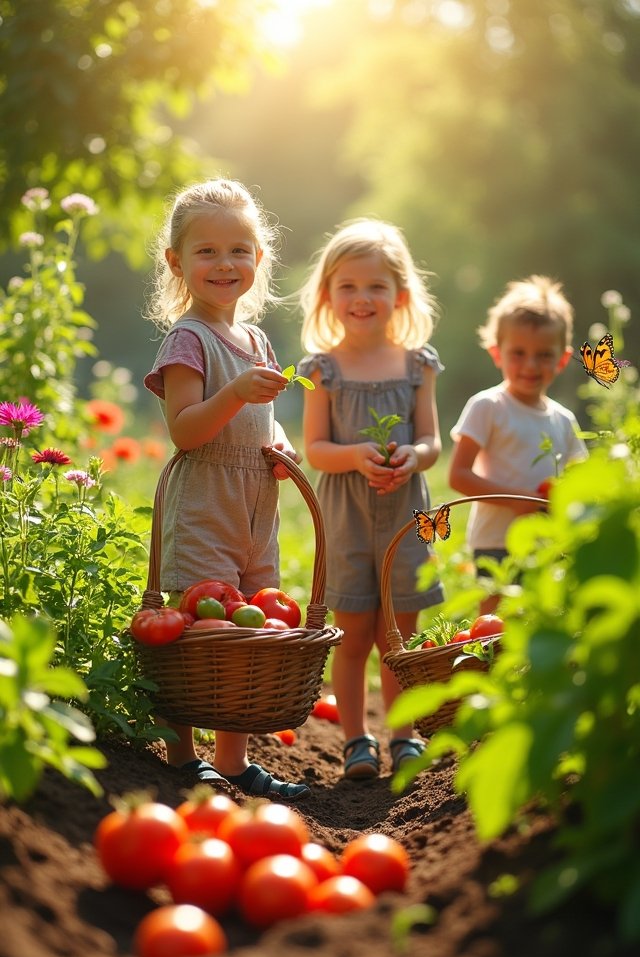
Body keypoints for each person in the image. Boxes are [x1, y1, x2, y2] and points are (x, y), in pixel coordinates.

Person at [143, 177, 309, 799]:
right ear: (177, 263)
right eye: (206, 250)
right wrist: (236, 392)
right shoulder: (188, 340)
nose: (223, 263)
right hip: (207, 503)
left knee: (245, 627)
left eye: (239, 249)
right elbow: (187, 430)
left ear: (259, 259)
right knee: (195, 626)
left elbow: (260, 418)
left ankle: (233, 759)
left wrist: (280, 444)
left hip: (254, 508)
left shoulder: (258, 340)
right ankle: (183, 752)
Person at [297, 218, 445, 780]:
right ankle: (357, 739)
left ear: (399, 295)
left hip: (407, 514)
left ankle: (403, 737)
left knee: (398, 638)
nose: (362, 298)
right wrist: (356, 454)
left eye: (376, 286)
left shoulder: (416, 365)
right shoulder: (323, 370)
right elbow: (315, 449)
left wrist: (416, 455)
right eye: (348, 286)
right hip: (347, 517)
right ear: (328, 295)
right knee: (354, 634)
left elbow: (433, 440)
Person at [448, 275, 588, 614]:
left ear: (562, 358)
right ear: (497, 353)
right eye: (518, 353)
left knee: (545, 615)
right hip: (496, 541)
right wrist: (518, 500)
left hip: (549, 540)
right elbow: (458, 476)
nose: (530, 365)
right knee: (496, 625)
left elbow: (579, 479)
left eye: (543, 355)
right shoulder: (488, 406)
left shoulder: (564, 419)